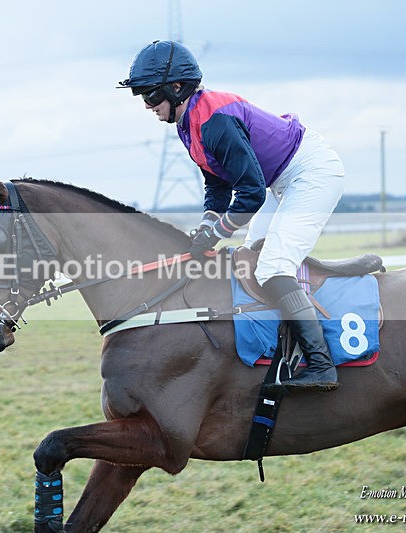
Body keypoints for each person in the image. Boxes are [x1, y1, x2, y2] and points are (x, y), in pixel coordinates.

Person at [119, 40, 345, 392]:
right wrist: (208, 226)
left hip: (309, 173)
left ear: (176, 88)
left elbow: (251, 193)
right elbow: (218, 186)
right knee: (250, 257)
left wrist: (217, 233)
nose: (147, 106)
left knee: (272, 267)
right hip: (278, 179)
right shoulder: (186, 122)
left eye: (150, 96)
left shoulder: (215, 121)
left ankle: (321, 363)